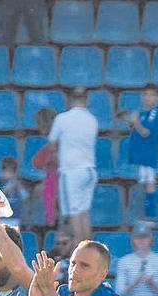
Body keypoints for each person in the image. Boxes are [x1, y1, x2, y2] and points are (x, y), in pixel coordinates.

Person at [47, 87, 100, 247]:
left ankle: (80, 249)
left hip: (72, 171)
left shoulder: (62, 119)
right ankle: (90, 249)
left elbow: (52, 144)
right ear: (86, 100)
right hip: (89, 170)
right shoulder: (93, 120)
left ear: (70, 100)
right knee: (84, 214)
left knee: (75, 214)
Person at [126, 87, 158, 221]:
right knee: (144, 182)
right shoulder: (142, 113)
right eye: (145, 95)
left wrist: (135, 122)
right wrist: (130, 122)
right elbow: (135, 129)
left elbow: (146, 133)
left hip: (148, 154)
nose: (148, 98)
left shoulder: (154, 113)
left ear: (156, 98)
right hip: (140, 154)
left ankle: (150, 213)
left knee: (149, 182)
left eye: (151, 95)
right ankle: (145, 212)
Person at [0, 156, 44, 230]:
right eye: (7, 172)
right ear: (3, 172)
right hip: (2, 218)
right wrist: (5, 190)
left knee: (14, 237)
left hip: (15, 217)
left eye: (12, 172)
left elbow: (26, 196)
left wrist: (19, 188)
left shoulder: (18, 184)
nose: (10, 174)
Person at [31, 108, 59, 229]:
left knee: (45, 190)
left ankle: (49, 224)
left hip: (59, 181)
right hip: (54, 179)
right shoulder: (53, 143)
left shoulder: (56, 143)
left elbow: (37, 162)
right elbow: (37, 162)